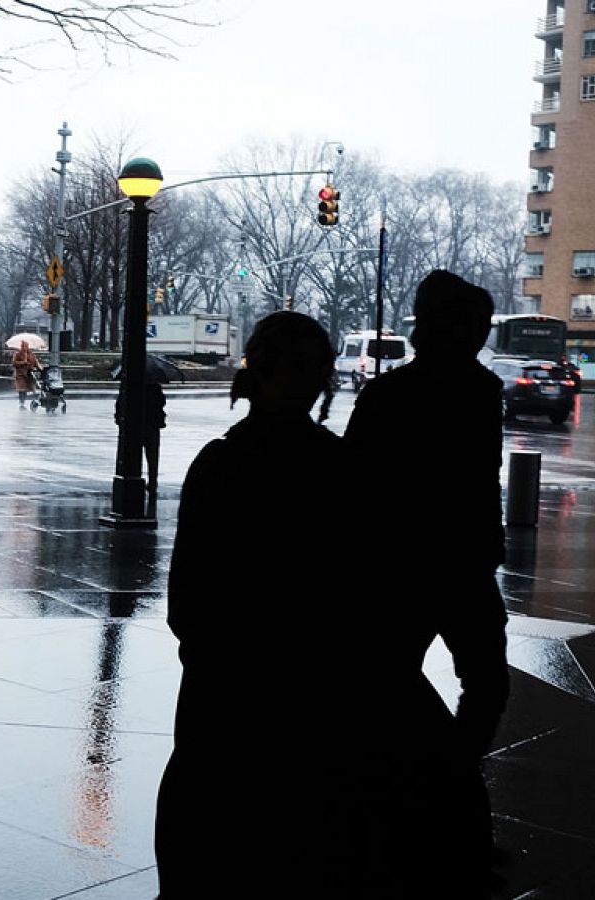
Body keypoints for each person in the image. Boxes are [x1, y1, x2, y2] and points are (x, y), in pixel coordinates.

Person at [154, 312, 374, 897]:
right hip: (311, 684)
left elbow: (189, 593)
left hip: (225, 677)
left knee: (205, 809)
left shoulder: (220, 463)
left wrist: (209, 648)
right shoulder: (341, 468)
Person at [343, 269, 510, 895]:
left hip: (441, 566)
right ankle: (438, 808)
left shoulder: (465, 391)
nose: (481, 335)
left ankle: (437, 804)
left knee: (469, 687)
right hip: (413, 569)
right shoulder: (405, 396)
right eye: (475, 325)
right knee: (458, 688)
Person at [114, 359, 168, 501]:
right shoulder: (155, 388)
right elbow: (161, 403)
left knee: (131, 455)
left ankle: (133, 479)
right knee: (152, 456)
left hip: (134, 425)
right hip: (152, 425)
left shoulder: (129, 385)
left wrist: (119, 420)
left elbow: (120, 403)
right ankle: (153, 482)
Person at [11, 342, 40, 409]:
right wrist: (23, 362)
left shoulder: (32, 354)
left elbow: (36, 362)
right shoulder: (17, 354)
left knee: (31, 389)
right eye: (23, 346)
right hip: (20, 375)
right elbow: (14, 363)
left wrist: (40, 368)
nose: (24, 348)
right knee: (22, 390)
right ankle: (22, 403)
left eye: (26, 346)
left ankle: (34, 401)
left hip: (29, 374)